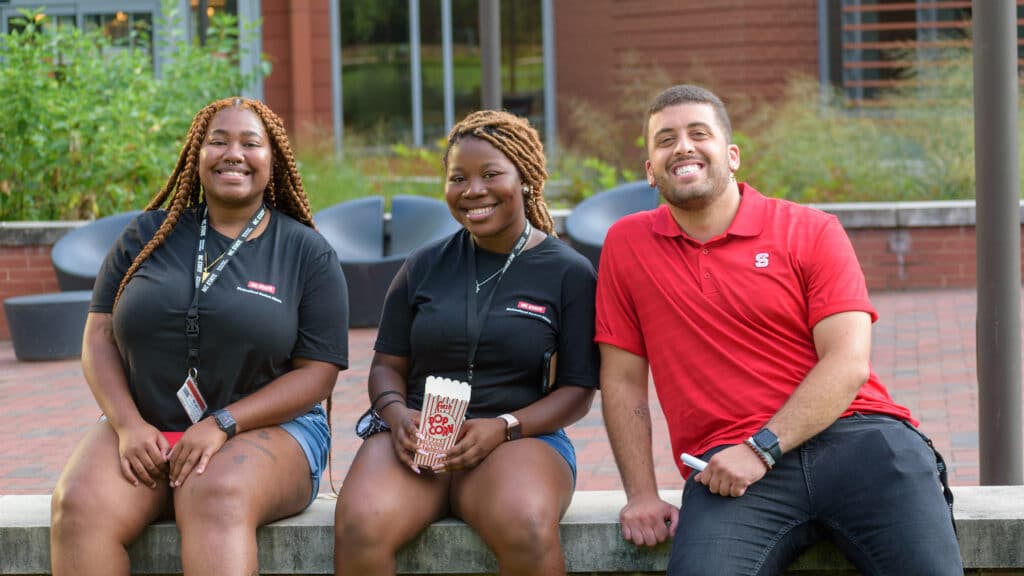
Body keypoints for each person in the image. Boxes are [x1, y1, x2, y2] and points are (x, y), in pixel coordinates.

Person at [596, 85, 963, 575]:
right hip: (730, 472)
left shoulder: (810, 229)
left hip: (860, 441)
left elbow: (847, 362)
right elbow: (621, 380)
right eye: (665, 140)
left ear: (732, 156)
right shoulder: (627, 244)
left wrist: (762, 448)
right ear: (649, 170)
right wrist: (641, 493)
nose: (682, 147)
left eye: (698, 134)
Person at [49, 97, 349, 575]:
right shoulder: (147, 235)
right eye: (218, 141)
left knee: (213, 492)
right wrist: (127, 424)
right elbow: (99, 335)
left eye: (251, 143)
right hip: (146, 424)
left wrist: (223, 423)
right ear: (197, 154)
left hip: (270, 429)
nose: (234, 154)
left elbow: (318, 375)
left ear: (273, 160)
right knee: (78, 507)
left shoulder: (308, 253)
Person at [334, 110, 599, 575]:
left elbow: (578, 391)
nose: (473, 190)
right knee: (360, 525)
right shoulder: (423, 265)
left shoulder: (568, 273)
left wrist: (504, 426)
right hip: (418, 438)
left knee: (525, 525)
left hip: (521, 436)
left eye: (491, 175)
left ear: (526, 179)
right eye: (458, 178)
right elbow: (386, 366)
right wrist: (397, 416)